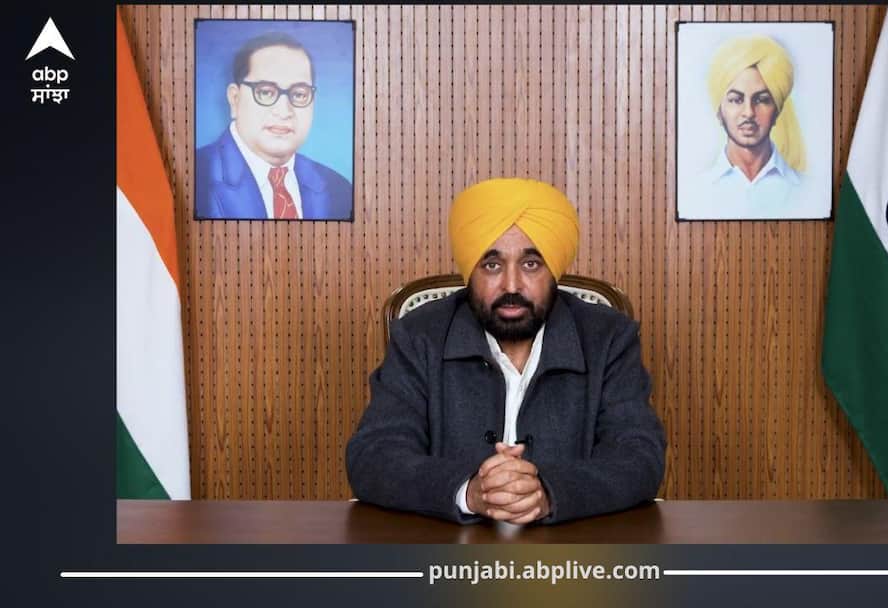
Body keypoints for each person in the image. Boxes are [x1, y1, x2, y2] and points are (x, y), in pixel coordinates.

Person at [346, 178, 667, 525]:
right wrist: (469, 492)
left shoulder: (608, 337)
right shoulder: (419, 335)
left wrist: (548, 493)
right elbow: (374, 456)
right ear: (470, 272)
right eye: (492, 265)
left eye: (531, 264)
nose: (511, 285)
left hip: (572, 550)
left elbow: (638, 457)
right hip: (447, 551)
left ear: (553, 270)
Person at [195, 32, 352, 220]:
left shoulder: (338, 189)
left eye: (299, 94)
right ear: (235, 99)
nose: (284, 111)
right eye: (266, 92)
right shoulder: (196, 177)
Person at [680, 34, 808, 220]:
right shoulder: (695, 193)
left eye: (762, 100)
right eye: (736, 100)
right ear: (719, 111)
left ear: (777, 110)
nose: (748, 112)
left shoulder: (806, 189)